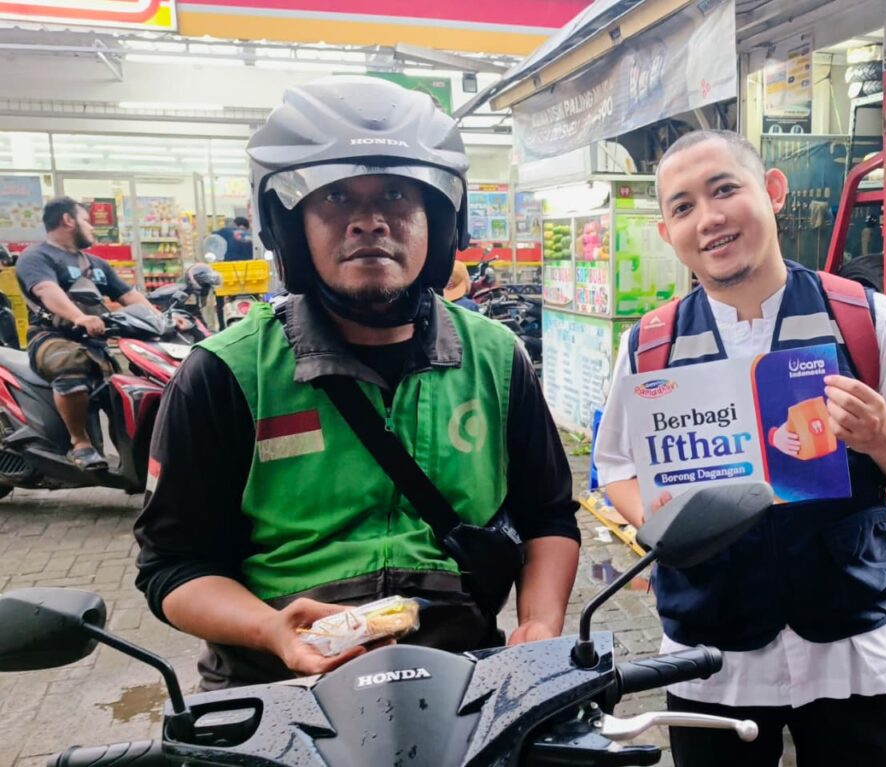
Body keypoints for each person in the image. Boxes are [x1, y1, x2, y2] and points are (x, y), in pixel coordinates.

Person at [134, 76, 581, 691]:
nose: (368, 222)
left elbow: (548, 515)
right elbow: (173, 566)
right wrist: (271, 630)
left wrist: (538, 624)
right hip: (277, 686)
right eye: (336, 197)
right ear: (291, 227)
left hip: (460, 677)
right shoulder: (225, 372)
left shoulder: (497, 358)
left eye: (396, 195)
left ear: (439, 223)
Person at [593, 130, 886, 767]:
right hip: (713, 656)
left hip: (851, 646)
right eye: (683, 207)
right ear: (667, 233)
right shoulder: (651, 346)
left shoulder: (862, 317)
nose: (709, 218)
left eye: (724, 189)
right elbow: (616, 465)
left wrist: (881, 436)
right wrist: (663, 521)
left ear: (773, 191)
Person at [15, 197, 182, 470]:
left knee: (127, 389)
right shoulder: (36, 257)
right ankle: (79, 443)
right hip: (51, 338)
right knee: (71, 365)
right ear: (68, 220)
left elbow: (129, 296)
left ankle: (135, 462)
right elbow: (47, 290)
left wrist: (163, 320)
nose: (92, 228)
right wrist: (79, 317)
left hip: (95, 341)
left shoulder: (96, 264)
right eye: (86, 221)